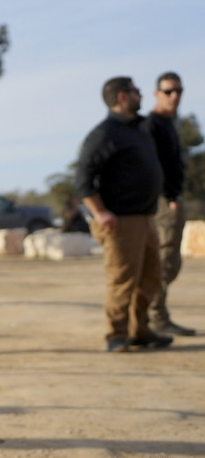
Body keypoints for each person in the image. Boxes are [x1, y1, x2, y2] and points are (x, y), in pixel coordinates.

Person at [75, 77, 169, 353]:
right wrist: (100, 213)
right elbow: (83, 179)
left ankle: (139, 330)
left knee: (151, 277)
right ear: (122, 97)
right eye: (135, 91)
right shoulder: (104, 134)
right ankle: (115, 335)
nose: (140, 95)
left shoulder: (138, 129)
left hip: (146, 217)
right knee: (122, 279)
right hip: (121, 220)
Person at [145, 72, 194, 337]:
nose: (174, 96)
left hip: (172, 199)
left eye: (178, 91)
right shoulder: (152, 124)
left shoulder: (168, 123)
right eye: (168, 91)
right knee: (164, 261)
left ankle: (156, 313)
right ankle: (154, 316)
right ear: (157, 94)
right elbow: (150, 166)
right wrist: (169, 196)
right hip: (164, 202)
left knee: (171, 261)